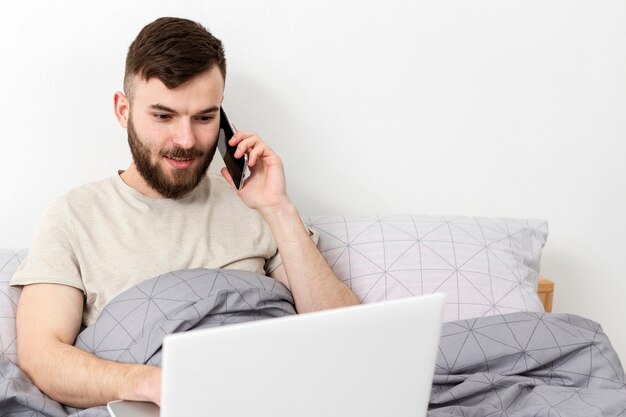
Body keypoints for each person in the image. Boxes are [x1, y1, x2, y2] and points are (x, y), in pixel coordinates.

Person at [10, 17, 359, 408]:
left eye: (205, 118)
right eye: (163, 116)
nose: (186, 140)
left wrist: (277, 208)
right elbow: (41, 357)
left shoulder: (253, 204)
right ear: (123, 110)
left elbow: (349, 338)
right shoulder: (73, 217)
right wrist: (158, 384)